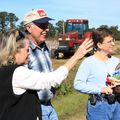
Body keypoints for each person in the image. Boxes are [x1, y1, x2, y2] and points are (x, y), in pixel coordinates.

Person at [0, 29, 92, 120]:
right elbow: (51, 80)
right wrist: (76, 56)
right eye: (27, 50)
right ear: (15, 51)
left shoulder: (4, 71)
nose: (29, 54)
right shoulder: (18, 73)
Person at [23, 8, 93, 120]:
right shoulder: (23, 52)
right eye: (42, 25)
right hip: (34, 109)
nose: (47, 29)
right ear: (28, 28)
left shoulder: (44, 47)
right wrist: (76, 56)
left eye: (47, 25)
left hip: (49, 105)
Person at [74, 27, 120, 120]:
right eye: (109, 42)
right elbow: (78, 84)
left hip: (118, 104)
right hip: (99, 107)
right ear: (99, 44)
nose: (113, 44)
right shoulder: (88, 62)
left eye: (113, 40)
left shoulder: (116, 61)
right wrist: (100, 89)